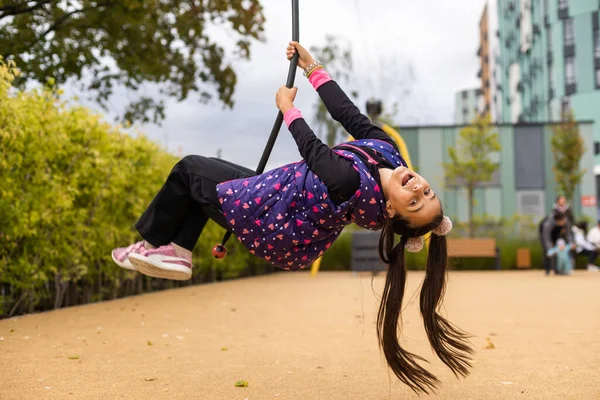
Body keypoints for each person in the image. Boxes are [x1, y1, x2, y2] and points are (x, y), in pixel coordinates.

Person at [110, 41, 472, 394]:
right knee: (201, 185)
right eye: (427, 193)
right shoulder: (387, 152)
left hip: (272, 221)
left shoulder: (350, 185)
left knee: (189, 171)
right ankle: (177, 250)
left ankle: (157, 244)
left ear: (392, 211)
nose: (418, 189)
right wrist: (312, 68)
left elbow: (314, 151)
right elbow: (347, 114)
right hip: (275, 195)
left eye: (414, 203)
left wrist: (287, 108)